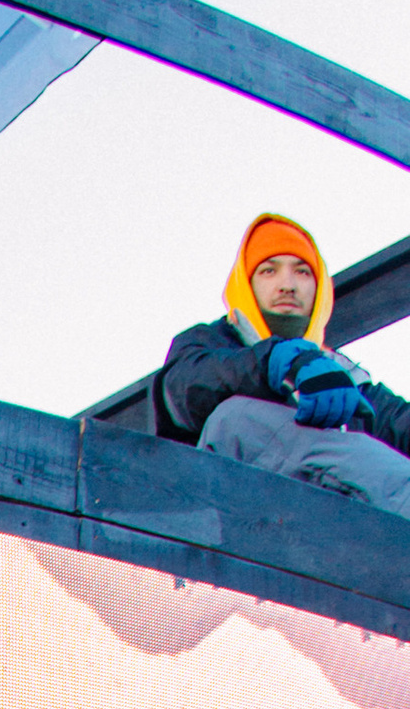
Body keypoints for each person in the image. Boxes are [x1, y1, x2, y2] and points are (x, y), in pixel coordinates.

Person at [153, 210, 410, 517]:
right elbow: (184, 390)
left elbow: (399, 423)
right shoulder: (210, 343)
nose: (287, 285)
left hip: (326, 540)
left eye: (302, 272)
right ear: (245, 284)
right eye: (269, 271)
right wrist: (280, 362)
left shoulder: (343, 375)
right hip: (231, 521)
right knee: (235, 419)